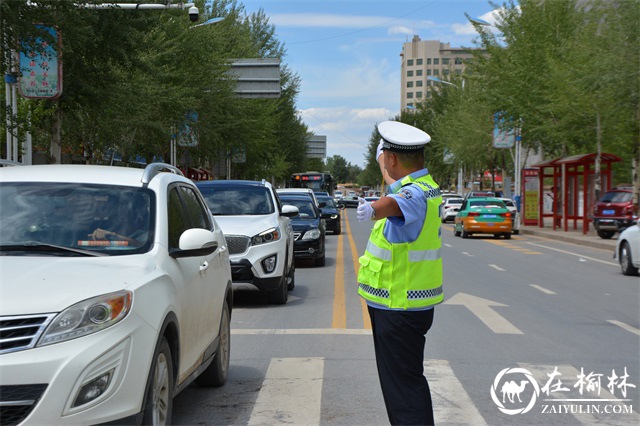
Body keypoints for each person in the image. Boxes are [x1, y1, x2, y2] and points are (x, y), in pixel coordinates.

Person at [356, 120, 444, 425]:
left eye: (384, 157)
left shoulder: (414, 194)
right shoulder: (426, 186)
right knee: (403, 386)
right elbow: (396, 189)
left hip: (399, 307)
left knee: (404, 392)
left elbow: (396, 203)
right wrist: (385, 164)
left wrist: (373, 209)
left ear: (393, 158)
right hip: (407, 306)